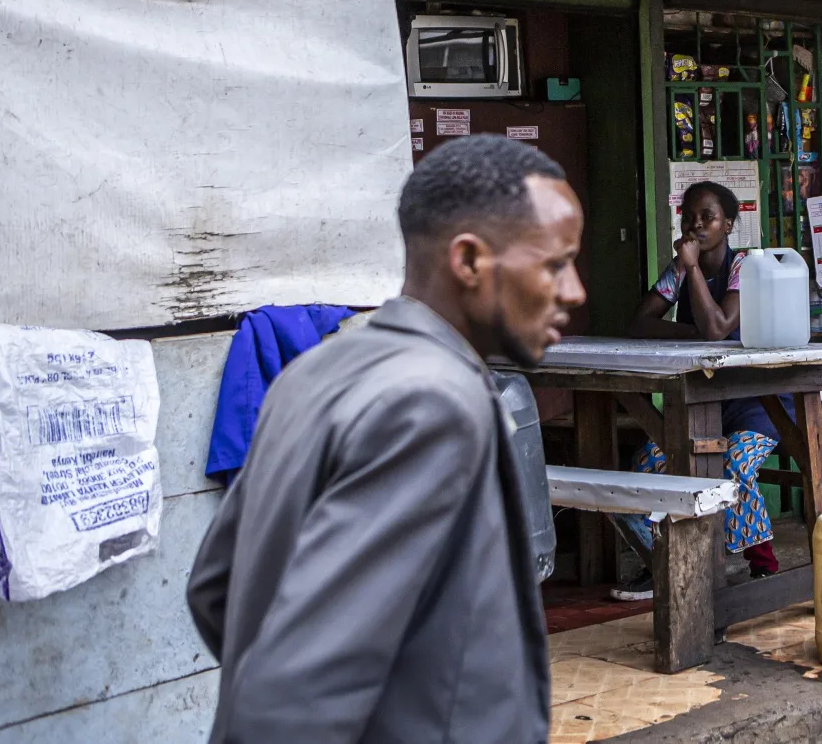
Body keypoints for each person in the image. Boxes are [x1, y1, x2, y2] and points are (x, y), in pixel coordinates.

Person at [187, 134, 586, 744]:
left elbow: (215, 589)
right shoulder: (434, 402)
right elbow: (294, 690)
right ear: (470, 261)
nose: (575, 291)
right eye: (555, 264)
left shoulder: (314, 372)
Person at [614, 181, 781, 600]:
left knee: (734, 465)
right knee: (649, 463)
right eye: (688, 217)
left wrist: (691, 271)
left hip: (758, 404)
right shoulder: (678, 270)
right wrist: (692, 331)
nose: (696, 225)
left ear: (728, 224)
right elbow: (639, 324)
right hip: (706, 403)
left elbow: (719, 328)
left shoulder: (745, 268)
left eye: (707, 217)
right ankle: (664, 562)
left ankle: (765, 566)